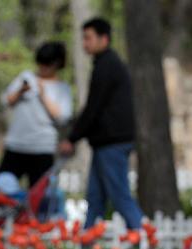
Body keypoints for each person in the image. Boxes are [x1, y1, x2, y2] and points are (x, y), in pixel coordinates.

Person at [58, 18, 145, 231]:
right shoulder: (104, 65)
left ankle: (146, 244)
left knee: (120, 196)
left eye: (88, 38)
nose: (84, 44)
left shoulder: (107, 66)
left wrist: (72, 137)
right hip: (103, 143)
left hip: (112, 143)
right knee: (94, 199)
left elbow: (93, 108)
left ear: (103, 39)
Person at [0, 42, 72, 216]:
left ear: (56, 64)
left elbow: (62, 117)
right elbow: (6, 101)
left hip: (42, 148)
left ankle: (35, 230)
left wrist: (43, 94)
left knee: (40, 199)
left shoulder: (62, 88)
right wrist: (21, 91)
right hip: (17, 145)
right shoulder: (26, 77)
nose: (42, 69)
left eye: (46, 65)